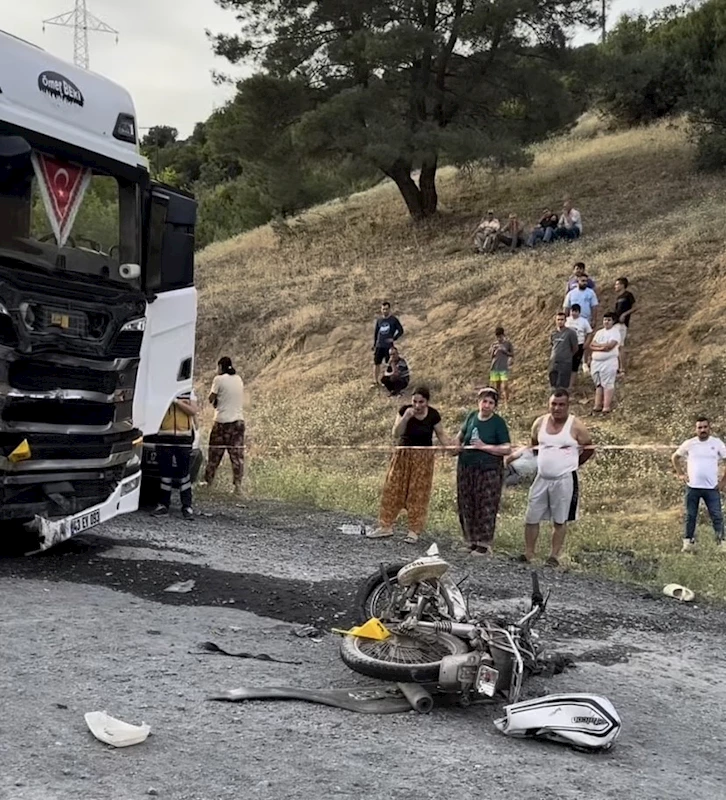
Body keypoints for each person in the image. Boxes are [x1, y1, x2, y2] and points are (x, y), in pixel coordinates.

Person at [367, 386, 449, 544]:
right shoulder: (405, 410)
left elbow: (441, 435)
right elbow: (395, 433)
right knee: (393, 488)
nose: (417, 405)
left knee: (418, 493)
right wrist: (405, 417)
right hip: (403, 454)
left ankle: (414, 531)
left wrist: (452, 448)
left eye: (421, 402)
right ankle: (386, 526)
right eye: (415, 401)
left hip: (423, 458)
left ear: (427, 402)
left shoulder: (433, 415)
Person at [522, 389, 595, 566]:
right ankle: (529, 553)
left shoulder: (576, 425)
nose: (557, 408)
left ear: (568, 406)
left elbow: (589, 447)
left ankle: (554, 556)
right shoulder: (540, 422)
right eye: (554, 404)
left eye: (561, 404)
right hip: (542, 477)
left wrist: (573, 464)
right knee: (531, 516)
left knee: (559, 519)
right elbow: (533, 442)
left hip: (563, 478)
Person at [455, 388, 512, 556]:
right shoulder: (472, 416)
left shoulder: (498, 423)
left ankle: (483, 543)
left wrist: (484, 446)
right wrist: (456, 444)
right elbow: (461, 434)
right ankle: (470, 540)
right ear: (478, 402)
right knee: (466, 503)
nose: (486, 405)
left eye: (490, 402)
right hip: (467, 466)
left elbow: (506, 448)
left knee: (485, 505)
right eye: (484, 401)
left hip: (488, 470)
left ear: (495, 405)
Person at [671, 417, 726, 553]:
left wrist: (723, 482)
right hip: (693, 487)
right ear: (695, 429)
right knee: (690, 516)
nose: (702, 430)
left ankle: (722, 544)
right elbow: (675, 457)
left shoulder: (717, 443)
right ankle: (688, 543)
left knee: (717, 515)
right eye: (699, 427)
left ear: (709, 428)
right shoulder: (690, 444)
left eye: (705, 427)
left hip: (711, 488)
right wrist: (680, 474)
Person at [153, 390, 199, 519]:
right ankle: (163, 505)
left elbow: (193, 410)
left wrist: (176, 401)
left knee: (184, 474)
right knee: (165, 474)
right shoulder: (161, 390)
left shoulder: (188, 391)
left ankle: (187, 506)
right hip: (164, 436)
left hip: (184, 437)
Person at [202, 356, 245, 493]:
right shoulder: (238, 379)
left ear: (220, 367)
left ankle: (209, 482)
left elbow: (211, 398)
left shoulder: (218, 379)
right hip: (238, 422)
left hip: (222, 422)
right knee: (237, 456)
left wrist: (216, 400)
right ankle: (238, 486)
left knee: (214, 454)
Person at [589, 312, 621, 415]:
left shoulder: (615, 332)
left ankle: (606, 407)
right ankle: (597, 405)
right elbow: (592, 345)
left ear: (613, 321)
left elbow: (610, 346)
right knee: (598, 384)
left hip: (609, 362)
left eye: (609, 320)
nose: (606, 322)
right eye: (605, 320)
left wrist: (600, 347)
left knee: (607, 384)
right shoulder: (599, 332)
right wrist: (602, 347)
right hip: (596, 362)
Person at [372, 301, 404, 386]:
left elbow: (401, 330)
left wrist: (393, 338)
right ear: (381, 310)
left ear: (389, 309)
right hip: (379, 345)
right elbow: (376, 333)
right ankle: (376, 382)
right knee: (376, 363)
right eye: (383, 309)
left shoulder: (393, 320)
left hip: (389, 347)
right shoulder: (379, 320)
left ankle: (389, 382)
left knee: (390, 364)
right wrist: (374, 344)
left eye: (386, 309)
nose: (384, 311)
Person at [565, 303, 593, 389]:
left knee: (575, 365)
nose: (574, 313)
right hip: (567, 345)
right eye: (572, 311)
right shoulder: (567, 320)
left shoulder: (583, 321)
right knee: (566, 364)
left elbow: (589, 333)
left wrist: (586, 343)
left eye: (576, 311)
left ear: (579, 312)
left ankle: (571, 384)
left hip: (579, 344)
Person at [549, 312, 579, 390]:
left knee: (563, 385)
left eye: (562, 319)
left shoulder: (571, 333)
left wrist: (568, 355)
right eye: (558, 320)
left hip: (565, 362)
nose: (560, 321)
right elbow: (552, 345)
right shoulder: (553, 333)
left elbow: (575, 348)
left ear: (565, 321)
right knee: (553, 383)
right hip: (554, 361)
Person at [613, 277, 636, 373]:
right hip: (616, 323)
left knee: (620, 346)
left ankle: (623, 369)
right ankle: (618, 367)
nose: (615, 286)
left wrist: (625, 314)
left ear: (622, 285)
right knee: (616, 346)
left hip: (622, 324)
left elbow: (635, 307)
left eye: (617, 284)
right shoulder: (618, 297)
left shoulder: (628, 295)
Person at [489, 327, 514, 403]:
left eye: (500, 336)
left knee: (505, 386)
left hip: (504, 367)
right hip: (495, 367)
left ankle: (507, 402)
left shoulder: (508, 344)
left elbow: (512, 354)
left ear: (503, 335)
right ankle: (496, 402)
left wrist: (504, 350)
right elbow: (491, 357)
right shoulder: (494, 344)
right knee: (497, 387)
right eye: (497, 337)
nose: (499, 338)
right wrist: (493, 350)